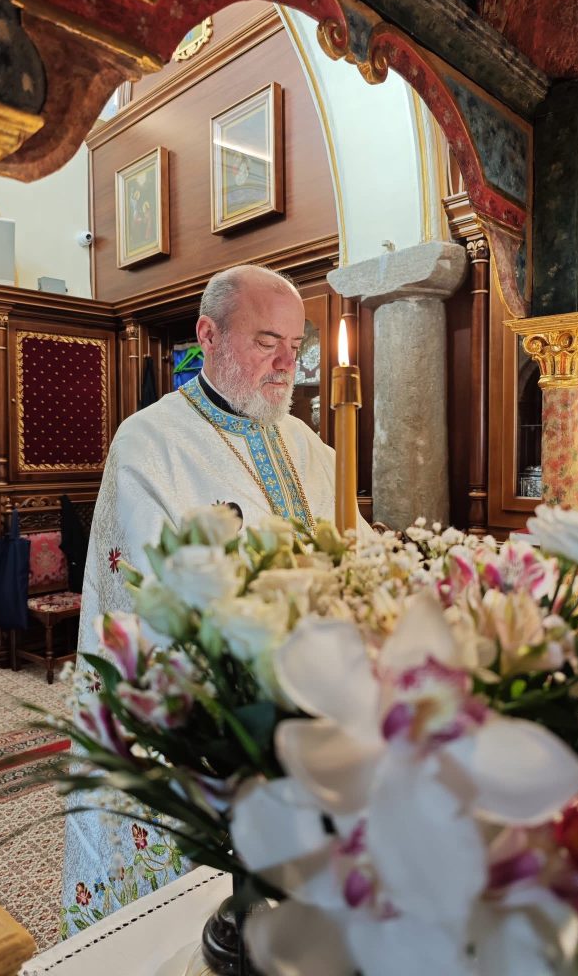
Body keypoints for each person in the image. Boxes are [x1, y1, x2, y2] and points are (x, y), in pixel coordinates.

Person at [60, 264, 367, 929]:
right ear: (208, 335)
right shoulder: (150, 442)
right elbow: (149, 595)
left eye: (295, 345)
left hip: (316, 705)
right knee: (201, 913)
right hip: (214, 714)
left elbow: (359, 549)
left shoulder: (305, 442)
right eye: (266, 342)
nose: (286, 364)